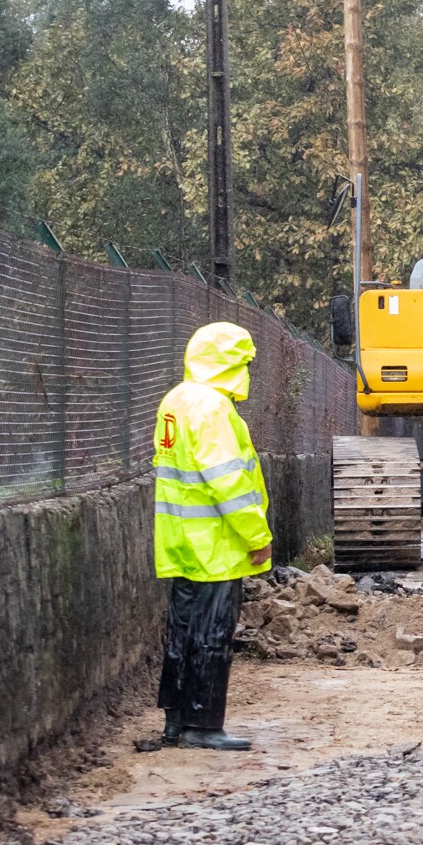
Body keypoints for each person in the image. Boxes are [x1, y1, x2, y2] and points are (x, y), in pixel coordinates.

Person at [151, 322, 272, 751]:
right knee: (212, 634)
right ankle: (203, 726)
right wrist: (257, 535)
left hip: (180, 540)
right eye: (244, 363)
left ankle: (175, 721)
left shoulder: (176, 400)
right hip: (215, 544)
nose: (247, 372)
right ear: (229, 363)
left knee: (182, 632)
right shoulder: (213, 408)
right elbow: (228, 482)